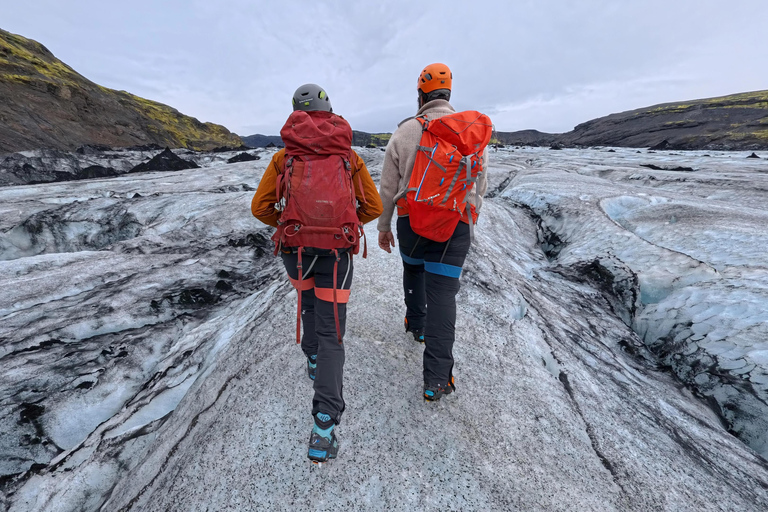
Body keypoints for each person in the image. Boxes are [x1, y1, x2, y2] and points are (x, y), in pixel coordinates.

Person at [251, 83, 382, 463]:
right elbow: (371, 206)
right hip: (337, 255)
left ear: (296, 112)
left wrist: (289, 223)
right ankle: (323, 427)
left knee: (307, 300)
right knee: (333, 333)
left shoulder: (284, 157)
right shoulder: (348, 156)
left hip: (295, 250)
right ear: (329, 110)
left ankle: (311, 357)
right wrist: (344, 222)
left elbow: (260, 208)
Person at [377, 63, 488, 401]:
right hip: (454, 227)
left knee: (413, 269)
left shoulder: (404, 131)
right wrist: (471, 218)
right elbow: (480, 184)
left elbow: (387, 187)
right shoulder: (469, 131)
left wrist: (383, 226)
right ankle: (437, 379)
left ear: (421, 94)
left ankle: (417, 323)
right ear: (448, 94)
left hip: (411, 223)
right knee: (443, 295)